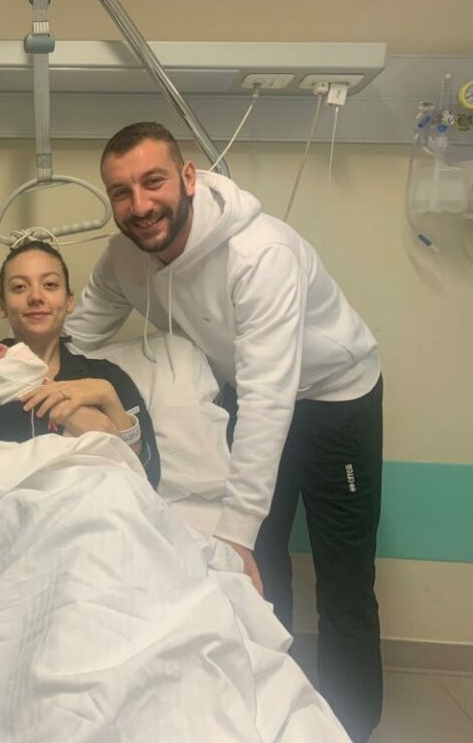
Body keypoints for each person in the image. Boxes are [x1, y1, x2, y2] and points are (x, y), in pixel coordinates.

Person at [64, 121, 382, 742]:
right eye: (122, 192)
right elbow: (76, 337)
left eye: (153, 182)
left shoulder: (261, 255)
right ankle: (277, 717)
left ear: (188, 178)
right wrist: (13, 369)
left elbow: (269, 395)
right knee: (263, 571)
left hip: (334, 400)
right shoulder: (125, 259)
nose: (139, 205)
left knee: (343, 580)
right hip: (249, 388)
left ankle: (351, 727)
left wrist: (235, 531)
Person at [0, 240, 158, 487]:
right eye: (19, 287)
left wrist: (108, 399)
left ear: (69, 301)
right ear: (2, 306)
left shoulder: (105, 377)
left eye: (50, 285)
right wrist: (59, 416)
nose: (36, 297)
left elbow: (149, 476)